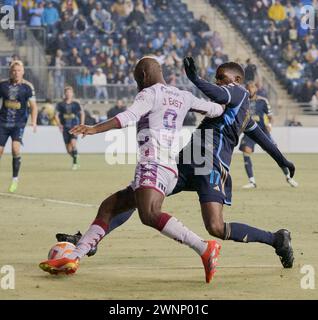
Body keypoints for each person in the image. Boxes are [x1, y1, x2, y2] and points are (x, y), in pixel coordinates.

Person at [39, 56, 226, 283]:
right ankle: (74, 257)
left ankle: (205, 248)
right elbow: (216, 109)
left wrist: (94, 128)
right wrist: (229, 96)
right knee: (109, 207)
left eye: (138, 80)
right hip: (169, 169)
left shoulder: (149, 93)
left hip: (153, 164)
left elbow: (128, 117)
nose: (138, 85)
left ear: (144, 76)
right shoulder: (183, 96)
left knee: (149, 214)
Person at [239, 82, 298, 189]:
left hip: (262, 131)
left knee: (275, 152)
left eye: (252, 87)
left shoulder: (263, 101)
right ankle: (252, 181)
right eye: (248, 88)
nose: (249, 90)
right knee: (246, 152)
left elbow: (270, 116)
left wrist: (270, 124)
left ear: (256, 89)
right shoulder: (243, 101)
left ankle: (288, 177)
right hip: (248, 132)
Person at [0, 60, 38, 193]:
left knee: (15, 149)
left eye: (19, 70)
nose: (16, 73)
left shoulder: (27, 87)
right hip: (2, 123)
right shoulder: (3, 85)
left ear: (23, 72)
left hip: (19, 124)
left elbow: (33, 106)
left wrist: (34, 121)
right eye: (14, 70)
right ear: (11, 72)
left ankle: (15, 179)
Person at [55, 86, 84, 170]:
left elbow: (82, 113)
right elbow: (56, 115)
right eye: (67, 92)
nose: (68, 94)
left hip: (74, 126)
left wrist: (82, 124)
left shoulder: (76, 103)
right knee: (68, 150)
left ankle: (74, 164)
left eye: (70, 92)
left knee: (73, 143)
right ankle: (75, 157)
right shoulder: (60, 104)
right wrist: (59, 125)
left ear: (72, 93)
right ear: (65, 94)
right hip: (65, 128)